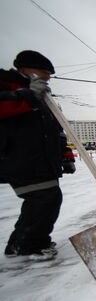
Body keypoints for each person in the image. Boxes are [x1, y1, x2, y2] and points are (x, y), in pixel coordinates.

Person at [1, 50, 76, 260]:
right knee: (44, 198)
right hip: (19, 156)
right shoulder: (7, 85)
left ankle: (21, 243)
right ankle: (28, 245)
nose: (48, 76)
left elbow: (55, 129)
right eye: (43, 71)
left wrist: (66, 154)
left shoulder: (42, 95)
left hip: (42, 158)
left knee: (46, 198)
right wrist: (29, 95)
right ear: (24, 68)